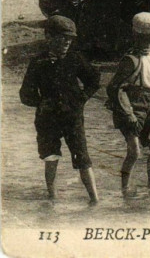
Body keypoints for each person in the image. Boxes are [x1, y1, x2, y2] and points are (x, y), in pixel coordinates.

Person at [20, 16, 100, 204]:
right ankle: (52, 198)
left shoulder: (75, 58)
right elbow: (25, 94)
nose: (67, 43)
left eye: (70, 39)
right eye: (62, 38)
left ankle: (95, 199)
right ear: (48, 37)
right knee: (50, 157)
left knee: (83, 158)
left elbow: (94, 80)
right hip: (47, 119)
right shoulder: (38, 62)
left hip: (73, 117)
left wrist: (81, 99)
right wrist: (41, 103)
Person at [107, 12, 150, 197]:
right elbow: (115, 88)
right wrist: (129, 113)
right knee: (134, 153)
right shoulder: (131, 60)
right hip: (132, 108)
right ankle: (124, 189)